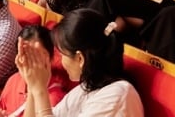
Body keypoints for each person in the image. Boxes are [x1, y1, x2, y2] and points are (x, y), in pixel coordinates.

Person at [15, 8, 144, 117]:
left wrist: (40, 90)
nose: (61, 61)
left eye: (62, 54)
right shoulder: (86, 88)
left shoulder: (118, 95)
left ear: (80, 59)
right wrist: (33, 86)